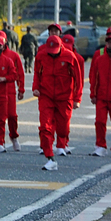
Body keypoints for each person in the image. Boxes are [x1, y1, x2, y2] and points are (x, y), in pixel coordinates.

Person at [33, 34, 83, 171]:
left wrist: (77, 98)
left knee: (62, 129)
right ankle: (50, 157)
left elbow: (78, 79)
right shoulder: (41, 56)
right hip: (46, 96)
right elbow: (37, 73)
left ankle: (62, 142)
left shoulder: (70, 57)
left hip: (64, 97)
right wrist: (35, 88)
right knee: (45, 127)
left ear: (61, 47)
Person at [90, 27, 111, 158]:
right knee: (100, 122)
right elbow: (93, 77)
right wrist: (93, 94)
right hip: (102, 96)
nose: (110, 44)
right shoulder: (99, 58)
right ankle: (101, 146)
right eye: (108, 41)